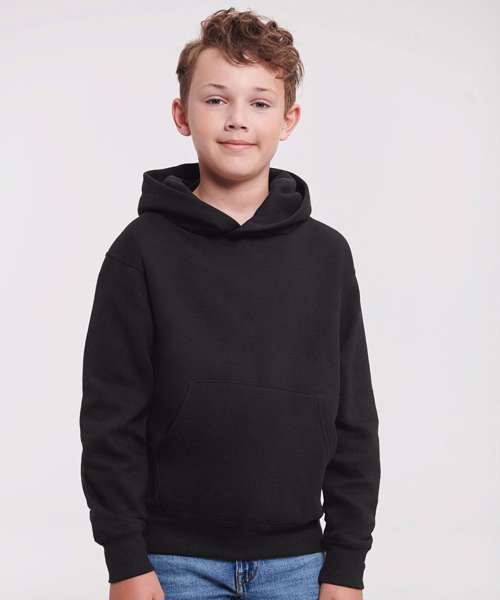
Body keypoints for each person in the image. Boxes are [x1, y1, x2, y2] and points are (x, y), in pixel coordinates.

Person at [79, 7, 381, 600]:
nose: (237, 119)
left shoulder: (327, 256)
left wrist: (347, 565)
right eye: (216, 99)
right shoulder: (140, 251)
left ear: (288, 119)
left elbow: (354, 421)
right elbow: (110, 419)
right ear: (181, 114)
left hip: (299, 563)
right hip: (171, 563)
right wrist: (125, 560)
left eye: (260, 102)